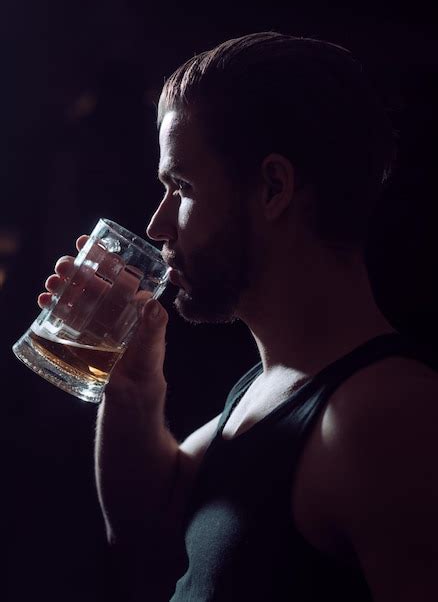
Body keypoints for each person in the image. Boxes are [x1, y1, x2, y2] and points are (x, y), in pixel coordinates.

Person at [39, 32, 438, 601]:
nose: (157, 225)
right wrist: (131, 384)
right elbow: (145, 524)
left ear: (274, 187)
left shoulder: (386, 418)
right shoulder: (272, 385)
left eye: (182, 187)